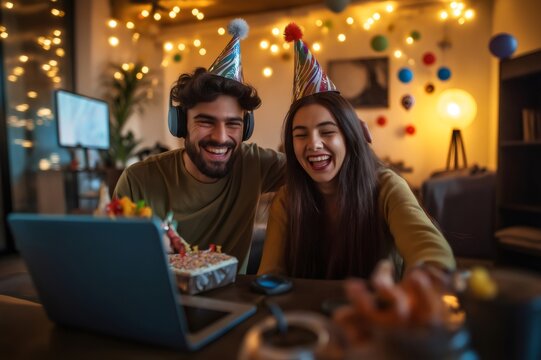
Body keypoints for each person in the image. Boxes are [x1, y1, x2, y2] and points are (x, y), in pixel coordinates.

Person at [257, 23, 454, 279]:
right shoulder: (286, 200)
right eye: (301, 134)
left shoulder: (387, 187)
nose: (313, 144)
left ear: (350, 137)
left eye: (327, 131)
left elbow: (431, 250)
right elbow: (270, 276)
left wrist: (428, 278)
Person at [114, 19, 285, 272]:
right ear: (180, 124)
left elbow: (325, 168)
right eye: (206, 122)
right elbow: (112, 264)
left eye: (233, 124)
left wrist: (346, 137)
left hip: (233, 305)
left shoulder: (256, 164)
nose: (221, 137)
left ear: (246, 128)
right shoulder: (138, 181)